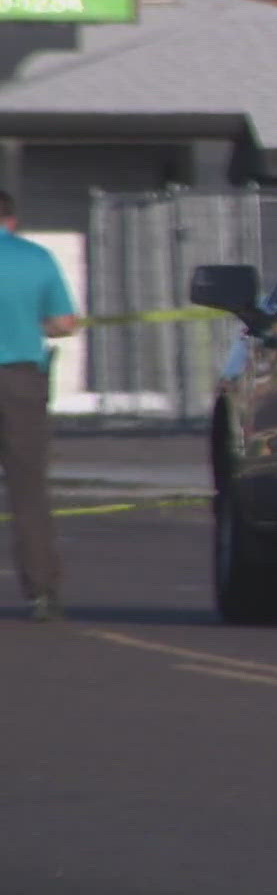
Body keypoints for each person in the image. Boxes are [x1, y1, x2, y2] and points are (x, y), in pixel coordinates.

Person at [0, 190, 79, 621]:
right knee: (28, 488)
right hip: (21, 381)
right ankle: (42, 590)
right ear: (10, 219)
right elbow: (64, 323)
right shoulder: (36, 258)